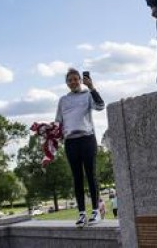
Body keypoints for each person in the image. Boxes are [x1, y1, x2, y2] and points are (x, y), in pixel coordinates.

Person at [55, 68, 105, 227]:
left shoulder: (87, 95)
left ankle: (96, 211)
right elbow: (58, 122)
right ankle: (82, 213)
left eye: (76, 79)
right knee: (77, 178)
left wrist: (92, 87)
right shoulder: (63, 100)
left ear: (80, 80)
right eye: (70, 80)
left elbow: (101, 106)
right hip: (71, 142)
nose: (73, 82)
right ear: (67, 83)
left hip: (87, 139)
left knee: (91, 175)